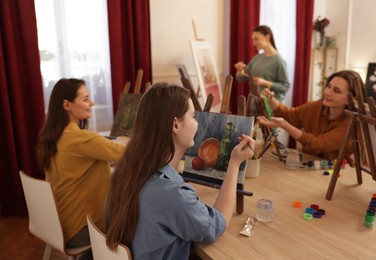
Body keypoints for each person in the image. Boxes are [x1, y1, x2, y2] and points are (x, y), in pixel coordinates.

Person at [105, 83, 254, 259]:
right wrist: (234, 163)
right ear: (175, 125)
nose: (197, 123)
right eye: (193, 116)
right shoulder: (172, 194)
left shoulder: (127, 170)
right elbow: (216, 226)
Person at [36, 78, 125, 253]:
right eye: (85, 99)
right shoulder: (80, 139)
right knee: (139, 224)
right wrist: (127, 142)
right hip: (80, 230)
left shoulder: (55, 135)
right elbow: (125, 153)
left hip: (60, 225)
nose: (91, 103)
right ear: (67, 105)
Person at [257, 70, 363, 161]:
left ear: (352, 99)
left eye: (336, 91)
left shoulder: (351, 124)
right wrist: (271, 101)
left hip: (338, 174)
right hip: (310, 165)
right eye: (329, 86)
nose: (327, 92)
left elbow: (317, 145)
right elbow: (290, 116)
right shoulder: (317, 106)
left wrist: (285, 125)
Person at [235, 25, 290, 102]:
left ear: (267, 37)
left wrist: (265, 83)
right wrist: (240, 71)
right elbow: (241, 78)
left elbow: (285, 87)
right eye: (253, 40)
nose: (254, 43)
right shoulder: (256, 58)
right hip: (254, 105)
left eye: (256, 39)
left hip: (270, 109)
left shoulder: (279, 61)